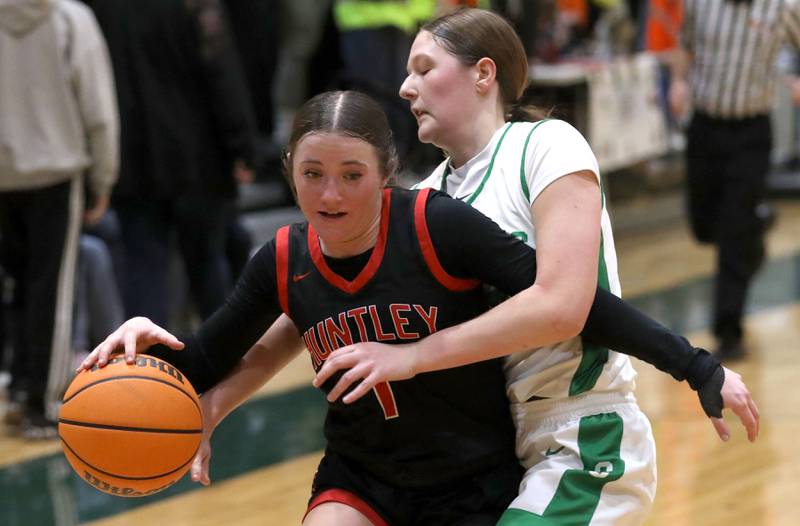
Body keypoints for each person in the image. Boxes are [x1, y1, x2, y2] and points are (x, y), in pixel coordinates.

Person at [83, 90, 757, 525]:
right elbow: (202, 361)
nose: (330, 194)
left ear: (384, 173)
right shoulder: (282, 259)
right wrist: (151, 344)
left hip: (471, 479)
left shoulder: (439, 225)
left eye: (351, 176)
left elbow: (580, 305)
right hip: (363, 475)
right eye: (312, 174)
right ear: (290, 170)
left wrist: (697, 367)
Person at [308, 9, 760, 525]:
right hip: (493, 448)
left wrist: (413, 356)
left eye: (424, 68)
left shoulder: (544, 145)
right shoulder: (425, 198)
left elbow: (565, 307)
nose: (406, 87)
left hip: (582, 435)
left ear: (483, 73)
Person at [85, 0, 258, 328]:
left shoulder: (99, 7)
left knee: (143, 268)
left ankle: (147, 368)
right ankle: (222, 365)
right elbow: (221, 72)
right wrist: (243, 145)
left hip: (133, 156)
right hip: (198, 156)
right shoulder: (196, 5)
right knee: (207, 265)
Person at [0, 0, 118, 438]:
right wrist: (104, 177)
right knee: (52, 290)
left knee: (15, 287)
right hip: (56, 170)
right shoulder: (70, 18)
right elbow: (99, 109)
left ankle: (17, 389)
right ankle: (41, 402)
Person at [668, 0, 800, 360]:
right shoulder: (700, 4)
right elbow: (685, 43)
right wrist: (678, 83)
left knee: (732, 232)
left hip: (751, 132)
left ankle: (729, 332)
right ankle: (754, 233)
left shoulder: (782, 7)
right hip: (705, 127)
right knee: (704, 227)